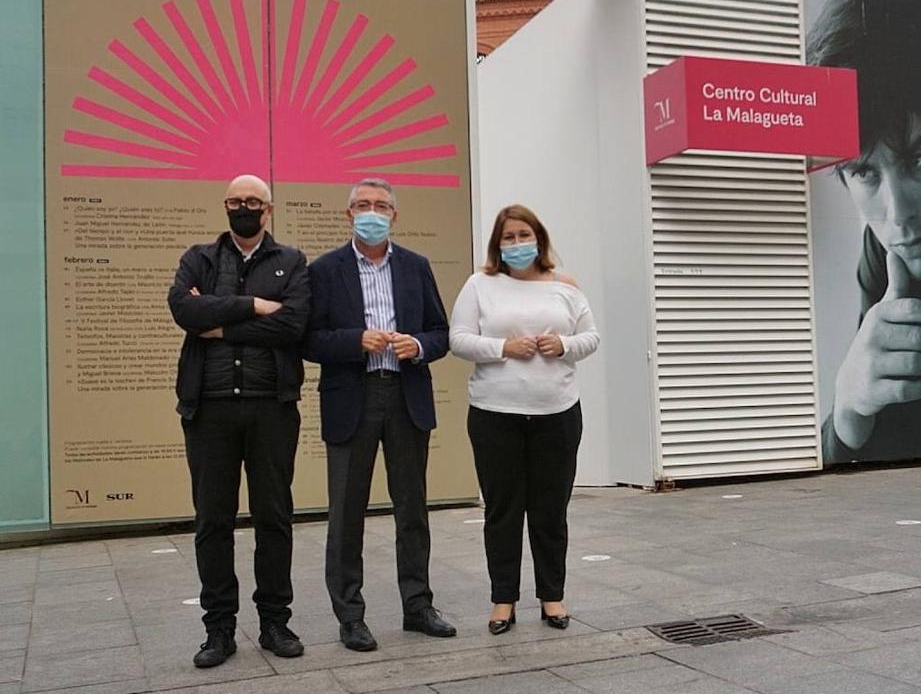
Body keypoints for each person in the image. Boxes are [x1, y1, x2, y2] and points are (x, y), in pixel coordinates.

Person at [807, 0, 921, 463]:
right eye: (865, 172)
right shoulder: (887, 256)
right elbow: (899, 459)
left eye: (917, 160)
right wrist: (850, 411)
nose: (898, 214)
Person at [304, 177, 456, 652]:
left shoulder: (415, 266)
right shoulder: (325, 269)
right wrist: (355, 341)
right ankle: (350, 615)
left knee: (412, 509)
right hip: (354, 396)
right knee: (346, 513)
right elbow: (308, 339)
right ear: (349, 214)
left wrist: (420, 345)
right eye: (363, 205)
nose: (373, 212)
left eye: (381, 206)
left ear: (395, 215)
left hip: (406, 395)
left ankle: (418, 605)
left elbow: (441, 331)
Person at [167, 173, 309, 668]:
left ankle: (275, 621)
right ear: (225, 206)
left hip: (271, 406)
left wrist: (222, 323)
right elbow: (184, 309)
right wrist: (252, 306)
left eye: (253, 201)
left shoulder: (290, 260)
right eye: (235, 201)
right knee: (213, 521)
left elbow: (293, 324)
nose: (244, 208)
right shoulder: (199, 257)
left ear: (268, 209)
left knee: (274, 517)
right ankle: (219, 629)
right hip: (209, 409)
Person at [448, 204, 599, 635]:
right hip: (496, 414)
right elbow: (458, 339)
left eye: (524, 235)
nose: (517, 244)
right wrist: (501, 348)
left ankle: (552, 596)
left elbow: (591, 336)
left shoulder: (564, 285)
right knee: (503, 511)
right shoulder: (480, 285)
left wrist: (564, 344)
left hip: (557, 413)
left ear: (540, 239)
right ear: (498, 244)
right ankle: (503, 599)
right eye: (508, 237)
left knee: (551, 511)